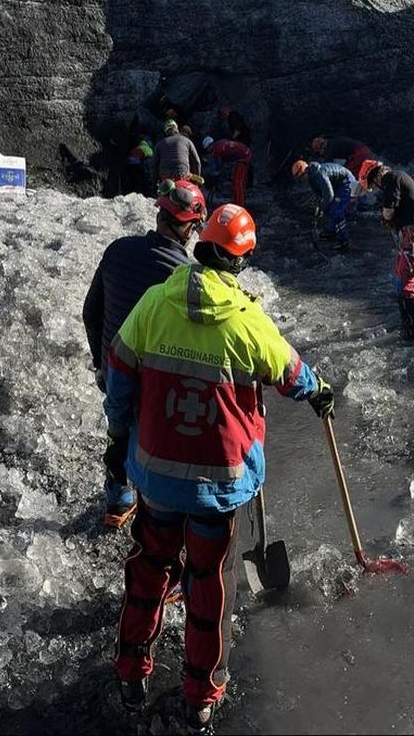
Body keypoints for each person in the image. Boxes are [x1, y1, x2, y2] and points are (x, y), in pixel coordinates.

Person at [104, 203, 335, 730]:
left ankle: (131, 672)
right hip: (219, 485)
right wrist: (320, 392)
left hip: (157, 479)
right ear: (242, 259)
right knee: (210, 582)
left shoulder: (154, 302)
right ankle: (202, 694)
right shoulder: (248, 320)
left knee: (150, 566)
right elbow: (292, 372)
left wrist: (118, 438)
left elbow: (119, 373)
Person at [83, 179, 205, 527]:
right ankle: (156, 506)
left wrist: (100, 361)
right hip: (156, 382)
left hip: (112, 370)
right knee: (155, 443)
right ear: (190, 228)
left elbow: (91, 311)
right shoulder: (183, 276)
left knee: (118, 429)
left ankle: (117, 497)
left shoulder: (117, 250)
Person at [366, 163, 414, 340]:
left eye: (373, 186)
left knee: (405, 285)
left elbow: (389, 208)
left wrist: (386, 217)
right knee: (400, 281)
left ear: (376, 177)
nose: (375, 190)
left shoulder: (391, 178)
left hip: (413, 235)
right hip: (413, 234)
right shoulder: (400, 177)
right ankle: (408, 326)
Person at [292, 159, 355, 250]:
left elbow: (329, 195)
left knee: (336, 211)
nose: (302, 181)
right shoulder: (311, 178)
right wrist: (318, 207)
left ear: (305, 172)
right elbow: (320, 194)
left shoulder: (319, 175)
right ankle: (331, 231)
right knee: (331, 207)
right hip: (337, 185)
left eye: (301, 178)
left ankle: (344, 241)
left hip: (347, 182)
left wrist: (321, 209)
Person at [207, 137, 252, 207]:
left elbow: (219, 165)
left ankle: (240, 205)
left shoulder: (216, 149)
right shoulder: (219, 143)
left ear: (209, 146)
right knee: (235, 181)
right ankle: (236, 201)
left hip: (243, 157)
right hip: (245, 153)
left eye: (207, 149)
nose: (208, 151)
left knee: (238, 183)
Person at [153, 119, 201, 184]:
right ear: (177, 129)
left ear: (166, 132)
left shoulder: (159, 145)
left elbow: (154, 167)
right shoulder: (187, 141)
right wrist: (197, 180)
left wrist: (154, 183)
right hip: (182, 175)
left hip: (165, 179)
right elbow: (197, 162)